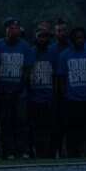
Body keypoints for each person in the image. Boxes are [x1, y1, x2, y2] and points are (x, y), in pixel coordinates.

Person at [0, 18, 32, 160]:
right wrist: (2, 89)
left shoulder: (25, 47)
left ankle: (23, 150)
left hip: (20, 92)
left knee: (21, 121)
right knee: (6, 122)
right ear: (6, 30)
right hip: (3, 91)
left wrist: (19, 88)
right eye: (10, 28)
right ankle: (7, 151)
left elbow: (27, 70)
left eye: (15, 28)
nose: (13, 30)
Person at [57, 27, 86, 157]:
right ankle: (72, 153)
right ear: (72, 40)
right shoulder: (64, 56)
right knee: (72, 129)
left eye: (82, 38)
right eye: (77, 38)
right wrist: (65, 96)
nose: (80, 40)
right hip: (71, 99)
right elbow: (62, 78)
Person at [28, 22, 59, 159]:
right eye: (40, 36)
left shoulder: (53, 53)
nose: (43, 39)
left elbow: (56, 76)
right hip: (34, 98)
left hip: (49, 97)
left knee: (50, 128)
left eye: (45, 36)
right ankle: (37, 153)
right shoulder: (30, 52)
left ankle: (51, 154)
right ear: (35, 37)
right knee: (36, 129)